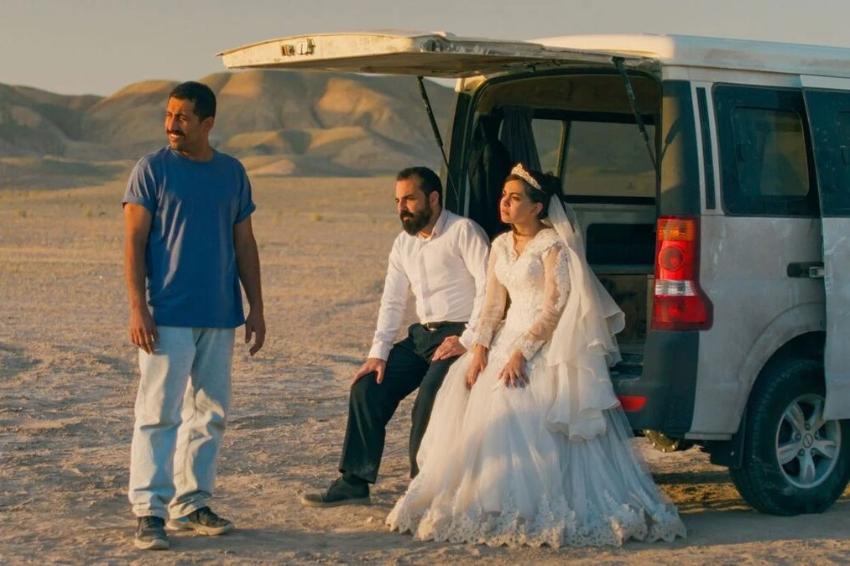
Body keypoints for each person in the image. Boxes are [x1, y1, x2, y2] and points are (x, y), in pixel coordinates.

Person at [386, 164, 686, 547]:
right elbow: (493, 305)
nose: (505, 204)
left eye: (514, 198)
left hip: (545, 342)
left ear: (537, 207)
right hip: (505, 336)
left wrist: (521, 354)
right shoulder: (498, 246)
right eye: (503, 197)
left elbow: (553, 308)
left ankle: (529, 504)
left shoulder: (553, 247)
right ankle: (484, 496)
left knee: (518, 400)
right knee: (470, 390)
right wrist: (479, 349)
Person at [123, 81, 265, 550]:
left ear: (208, 123)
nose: (171, 124)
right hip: (167, 313)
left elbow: (244, 242)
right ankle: (149, 509)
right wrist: (138, 307)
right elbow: (133, 242)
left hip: (220, 314)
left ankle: (192, 501)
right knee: (159, 412)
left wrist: (256, 307)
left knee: (209, 413)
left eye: (182, 117)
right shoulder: (152, 170)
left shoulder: (231, 173)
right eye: (168, 115)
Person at [300, 167, 490, 507]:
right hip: (422, 337)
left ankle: (422, 489)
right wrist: (379, 354)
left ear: (433, 198)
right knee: (367, 387)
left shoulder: (464, 232)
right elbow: (392, 301)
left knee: (429, 399)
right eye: (397, 201)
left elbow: (488, 290)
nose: (401, 208)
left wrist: (468, 337)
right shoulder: (403, 244)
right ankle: (354, 482)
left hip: (460, 334)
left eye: (409, 199)